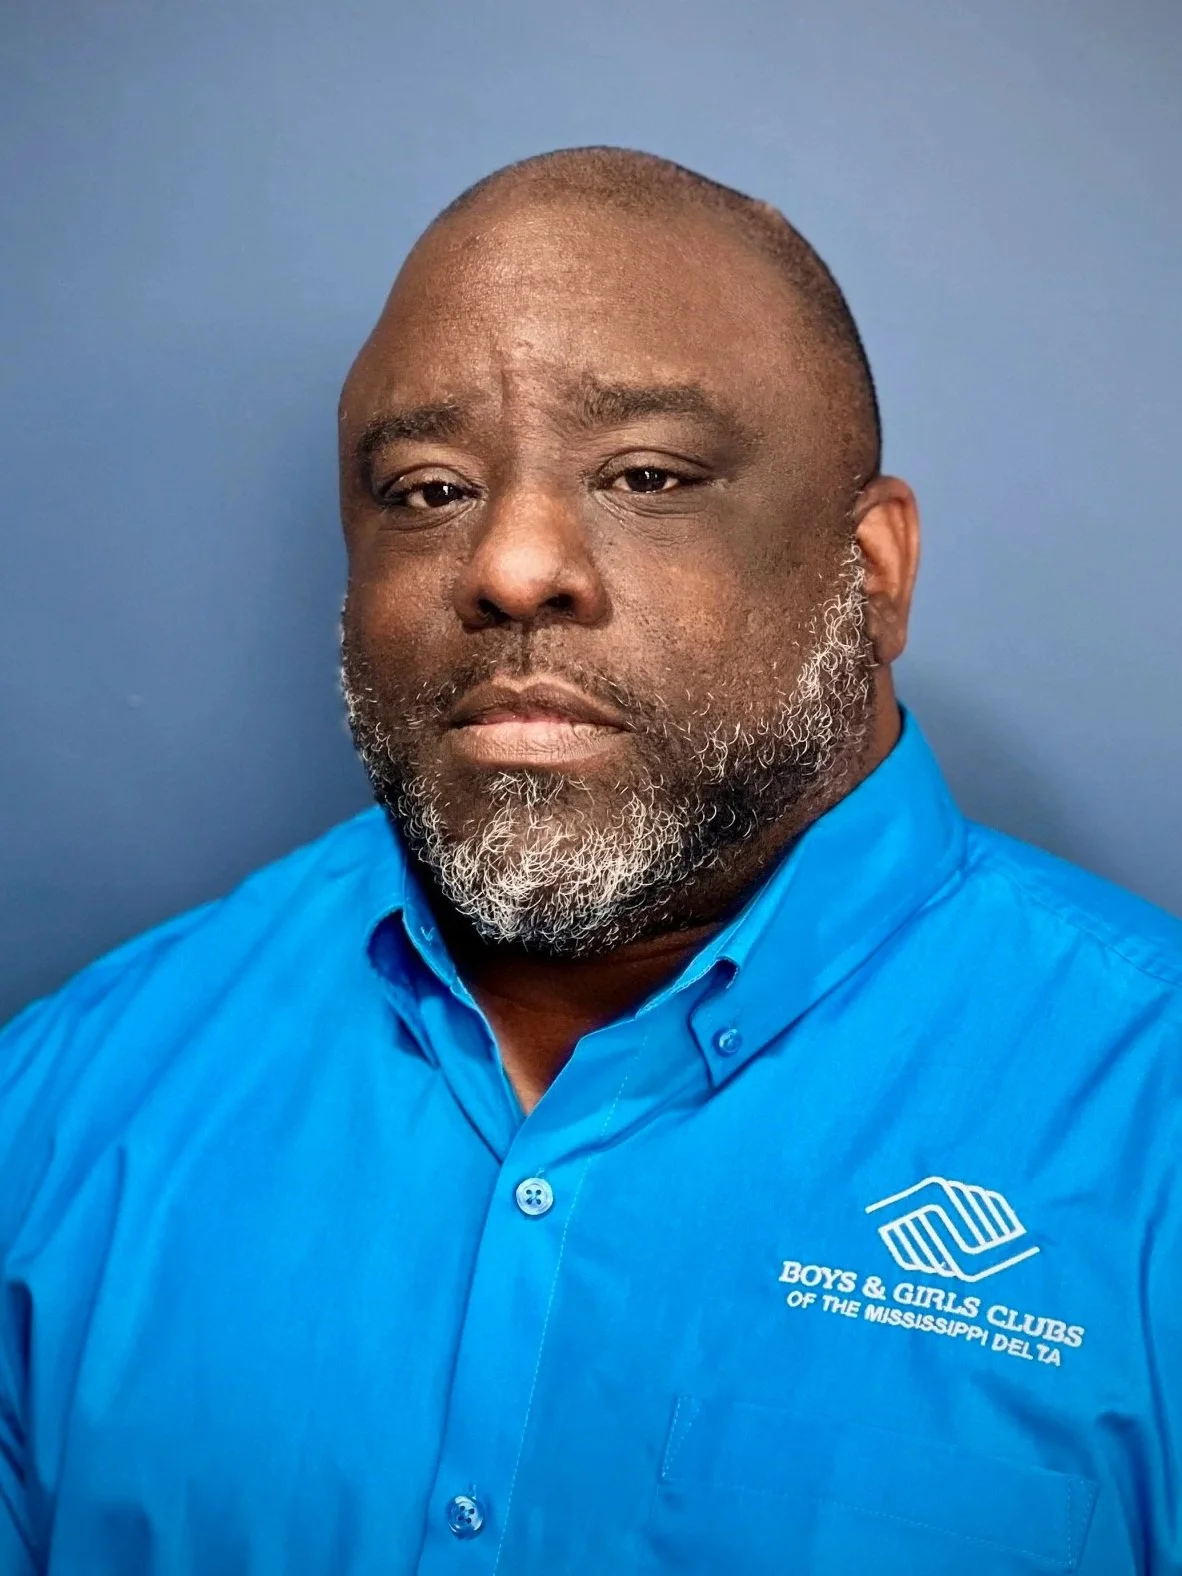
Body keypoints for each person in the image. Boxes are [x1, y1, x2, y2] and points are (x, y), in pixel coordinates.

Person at [1, 146, 1180, 1576]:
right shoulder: (67, 1103)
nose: (509, 565)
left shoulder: (1144, 1119)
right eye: (427, 490)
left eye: (646, 473)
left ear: (866, 570)